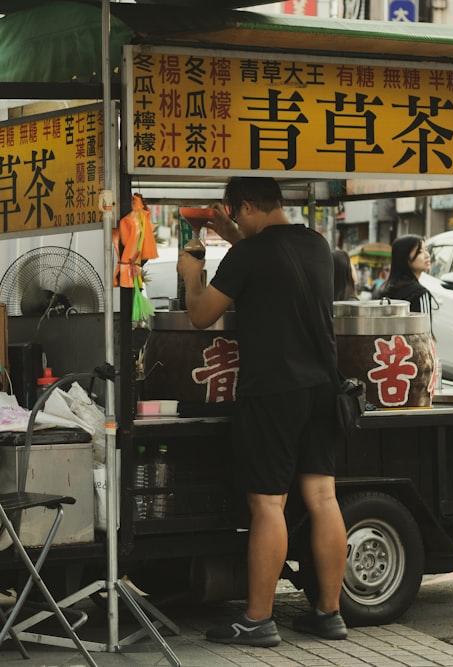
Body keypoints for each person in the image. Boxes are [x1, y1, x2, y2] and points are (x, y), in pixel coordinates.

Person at [177, 176, 348, 647]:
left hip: (274, 390)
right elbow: (273, 262)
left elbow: (200, 314)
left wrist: (192, 272)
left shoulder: (247, 255)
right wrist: (234, 236)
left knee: (268, 503)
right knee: (323, 499)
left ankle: (256, 620)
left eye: (235, 213)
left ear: (246, 206)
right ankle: (329, 613)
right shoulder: (315, 245)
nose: (234, 220)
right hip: (322, 386)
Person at [375, 235, 433, 315]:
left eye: (426, 250)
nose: (427, 255)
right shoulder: (420, 293)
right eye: (420, 252)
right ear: (404, 257)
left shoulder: (382, 290)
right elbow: (425, 326)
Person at [113, 193, 159, 288]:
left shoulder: (128, 220)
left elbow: (124, 241)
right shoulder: (144, 222)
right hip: (133, 266)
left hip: (126, 265)